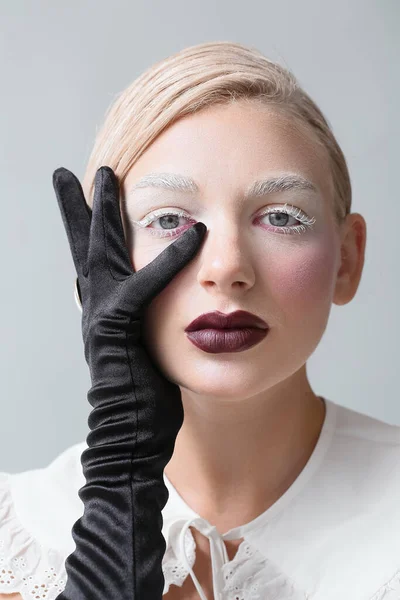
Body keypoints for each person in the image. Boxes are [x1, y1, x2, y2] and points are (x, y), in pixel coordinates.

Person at [1, 40, 399, 600]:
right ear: (92, 263)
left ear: (348, 261)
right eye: (169, 219)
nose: (228, 267)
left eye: (281, 216)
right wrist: (122, 481)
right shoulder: (16, 540)